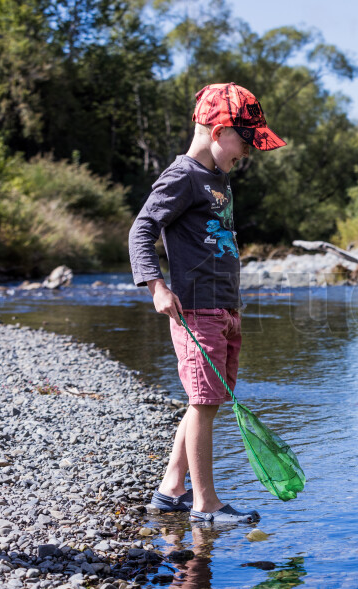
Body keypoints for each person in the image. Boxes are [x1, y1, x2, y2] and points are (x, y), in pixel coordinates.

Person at [128, 82, 286, 523]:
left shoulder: (219, 179)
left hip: (222, 310)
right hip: (194, 310)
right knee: (202, 402)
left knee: (208, 400)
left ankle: (171, 488)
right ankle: (205, 504)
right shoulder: (182, 177)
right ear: (218, 132)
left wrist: (233, 309)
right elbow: (142, 229)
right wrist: (156, 285)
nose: (250, 152)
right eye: (246, 141)